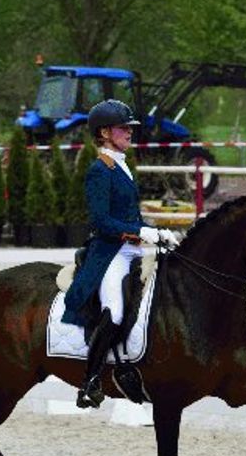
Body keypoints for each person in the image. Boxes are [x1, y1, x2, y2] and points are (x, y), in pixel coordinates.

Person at [61, 99, 179, 408]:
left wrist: (157, 232)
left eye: (129, 128)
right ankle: (90, 380)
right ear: (103, 133)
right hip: (110, 252)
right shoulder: (100, 170)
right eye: (122, 128)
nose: (129, 132)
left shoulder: (122, 165)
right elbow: (101, 221)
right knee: (113, 309)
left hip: (133, 249)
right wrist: (141, 232)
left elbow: (129, 215)